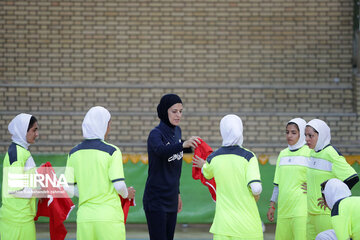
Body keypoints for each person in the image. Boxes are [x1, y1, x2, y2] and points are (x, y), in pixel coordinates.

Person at [65, 106, 135, 240]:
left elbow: (67, 189)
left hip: (85, 218)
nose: (110, 128)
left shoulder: (73, 153)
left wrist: (88, 192)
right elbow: (119, 186)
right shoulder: (112, 151)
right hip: (109, 218)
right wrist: (127, 194)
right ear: (103, 125)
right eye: (109, 124)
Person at [193, 114, 263, 240]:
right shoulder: (249, 157)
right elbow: (256, 188)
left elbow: (207, 172)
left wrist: (203, 165)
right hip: (248, 227)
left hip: (223, 227)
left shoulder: (213, 158)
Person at [143, 93, 200, 240]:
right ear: (164, 111)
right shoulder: (155, 134)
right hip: (156, 199)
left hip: (171, 198)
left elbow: (175, 169)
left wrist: (177, 193)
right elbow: (161, 151)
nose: (178, 115)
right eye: (174, 111)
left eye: (181, 111)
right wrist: (182, 144)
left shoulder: (177, 132)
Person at [305, 119, 359, 240]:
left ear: (321, 135)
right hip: (310, 213)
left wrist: (332, 198)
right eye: (305, 135)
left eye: (311, 136)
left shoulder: (331, 153)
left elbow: (352, 177)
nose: (307, 139)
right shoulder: (312, 153)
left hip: (326, 215)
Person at [267, 118, 310, 240]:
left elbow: (323, 175)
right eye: (287, 132)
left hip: (301, 211)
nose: (289, 136)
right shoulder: (283, 154)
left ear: (301, 134)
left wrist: (315, 186)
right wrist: (272, 206)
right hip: (283, 210)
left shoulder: (310, 153)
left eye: (293, 132)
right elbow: (277, 184)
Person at [0, 113, 40, 240]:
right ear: (24, 130)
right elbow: (15, 189)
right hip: (18, 220)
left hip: (19, 218)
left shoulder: (20, 151)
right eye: (34, 130)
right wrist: (38, 193)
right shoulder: (17, 154)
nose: (37, 134)